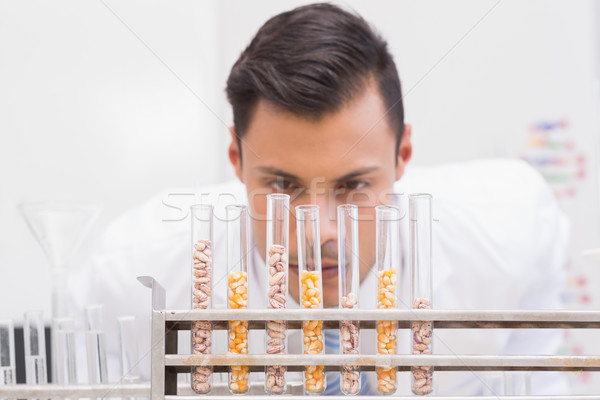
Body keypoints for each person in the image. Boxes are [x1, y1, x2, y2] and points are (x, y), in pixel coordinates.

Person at [69, 3, 571, 395]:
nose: (319, 232)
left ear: (403, 155)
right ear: (236, 160)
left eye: (353, 185)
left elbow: (542, 384)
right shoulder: (137, 270)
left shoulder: (509, 232)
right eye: (283, 186)